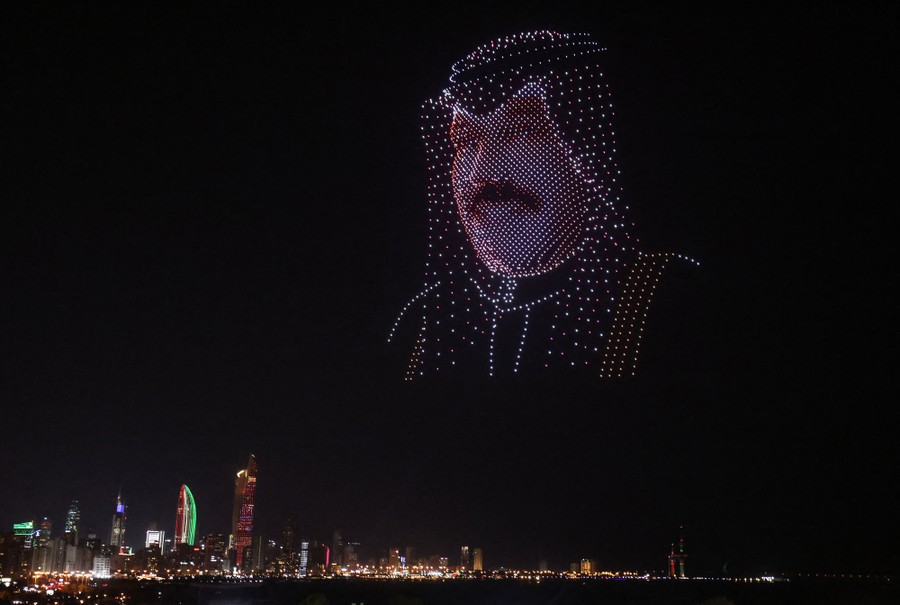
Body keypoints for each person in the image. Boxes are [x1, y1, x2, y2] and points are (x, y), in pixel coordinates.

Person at [390, 31, 696, 379]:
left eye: (521, 132)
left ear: (584, 148)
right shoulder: (424, 327)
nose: (482, 172)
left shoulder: (663, 299)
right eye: (465, 141)